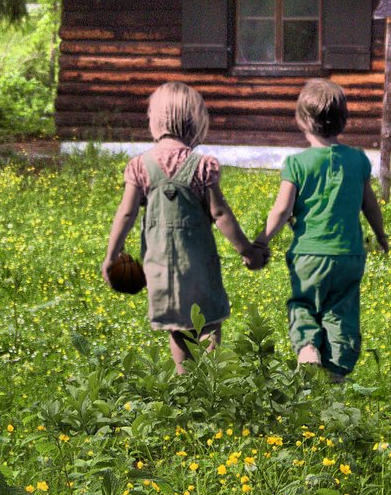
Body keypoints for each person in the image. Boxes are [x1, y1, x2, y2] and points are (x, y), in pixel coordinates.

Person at [101, 82, 268, 372]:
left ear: (155, 121)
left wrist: (111, 256)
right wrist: (247, 250)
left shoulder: (140, 166)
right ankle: (211, 379)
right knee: (209, 322)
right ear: (195, 122)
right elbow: (219, 213)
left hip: (160, 266)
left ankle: (185, 383)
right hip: (199, 265)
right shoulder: (202, 166)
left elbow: (126, 214)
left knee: (178, 328)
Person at [254, 79, 388, 383]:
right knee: (341, 310)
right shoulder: (358, 160)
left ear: (302, 120)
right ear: (344, 120)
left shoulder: (297, 163)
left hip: (309, 255)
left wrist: (261, 240)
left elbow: (282, 210)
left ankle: (308, 347)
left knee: (304, 303)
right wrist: (380, 235)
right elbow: (371, 206)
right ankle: (337, 371)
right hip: (350, 254)